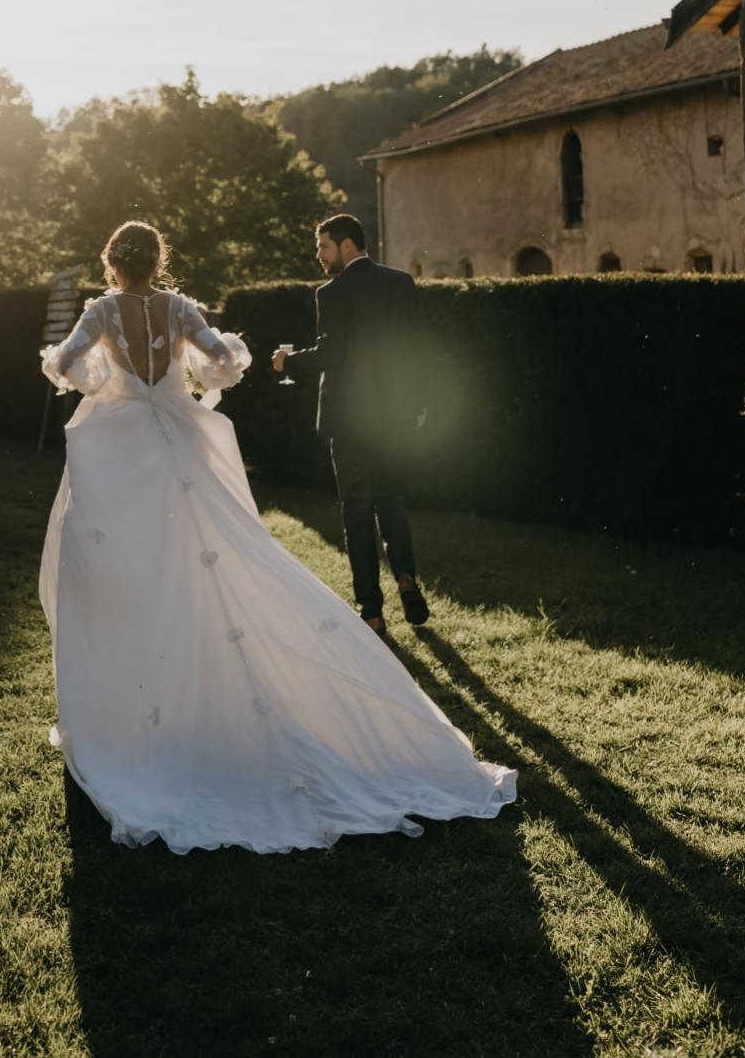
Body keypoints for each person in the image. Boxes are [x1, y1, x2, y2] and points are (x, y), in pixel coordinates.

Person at [39, 219, 514, 855]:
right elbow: (228, 360)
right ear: (158, 261)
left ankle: (141, 711)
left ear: (112, 264)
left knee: (128, 566)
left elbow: (66, 364)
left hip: (122, 448)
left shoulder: (101, 311)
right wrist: (189, 380)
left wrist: (105, 381)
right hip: (180, 439)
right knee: (214, 560)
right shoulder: (180, 307)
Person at [274, 213, 429, 639]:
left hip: (349, 421)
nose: (318, 256)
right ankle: (406, 578)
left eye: (323, 246)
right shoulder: (401, 283)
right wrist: (418, 403)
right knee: (391, 499)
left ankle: (372, 613)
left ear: (346, 246)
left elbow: (331, 354)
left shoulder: (332, 292)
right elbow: (416, 349)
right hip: (393, 416)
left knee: (357, 512)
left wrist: (288, 361)